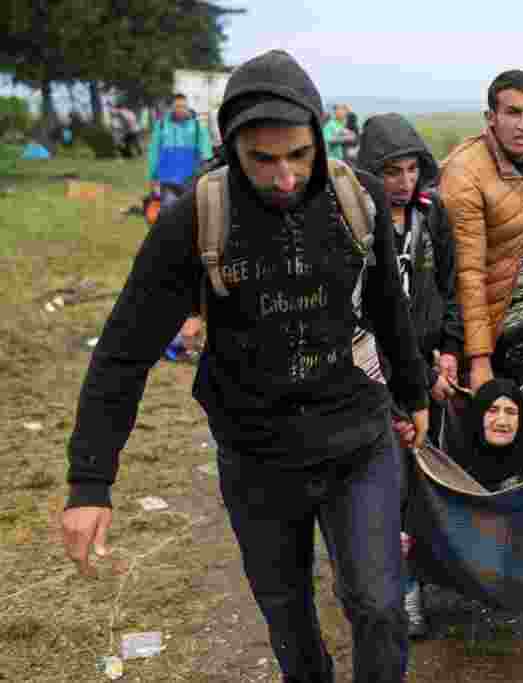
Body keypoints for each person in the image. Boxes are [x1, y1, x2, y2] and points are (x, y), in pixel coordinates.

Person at [61, 49, 429, 683]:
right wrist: (90, 483)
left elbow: (389, 307)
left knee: (376, 603)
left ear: (318, 136)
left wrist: (413, 393)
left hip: (356, 442)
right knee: (287, 614)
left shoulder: (357, 198)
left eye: (298, 155)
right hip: (256, 456)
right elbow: (123, 353)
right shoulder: (194, 221)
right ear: (232, 147)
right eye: (263, 160)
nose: (285, 178)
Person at [357, 112, 464, 639]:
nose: (402, 182)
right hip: (377, 372)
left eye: (411, 170)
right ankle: (399, 591)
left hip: (429, 370)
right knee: (387, 484)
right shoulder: (354, 220)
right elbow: (362, 316)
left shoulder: (433, 214)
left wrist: (449, 350)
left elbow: (450, 287)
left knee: (425, 476)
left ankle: (424, 574)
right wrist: (408, 386)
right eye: (390, 172)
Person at [439, 69, 523, 391]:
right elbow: (467, 273)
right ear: (491, 117)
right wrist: (480, 359)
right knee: (488, 428)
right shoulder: (463, 173)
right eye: (513, 113)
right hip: (489, 331)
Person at [455, 378, 523, 491]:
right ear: (479, 414)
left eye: (511, 412)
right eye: (492, 410)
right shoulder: (461, 461)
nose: (502, 422)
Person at [147, 93, 213, 208]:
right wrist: (153, 177)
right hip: (168, 180)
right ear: (172, 107)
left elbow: (207, 153)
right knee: (169, 212)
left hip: (191, 180)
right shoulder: (161, 125)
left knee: (190, 213)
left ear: (187, 107)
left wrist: (206, 171)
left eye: (183, 106)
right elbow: (153, 152)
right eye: (177, 106)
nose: (180, 109)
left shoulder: (198, 126)